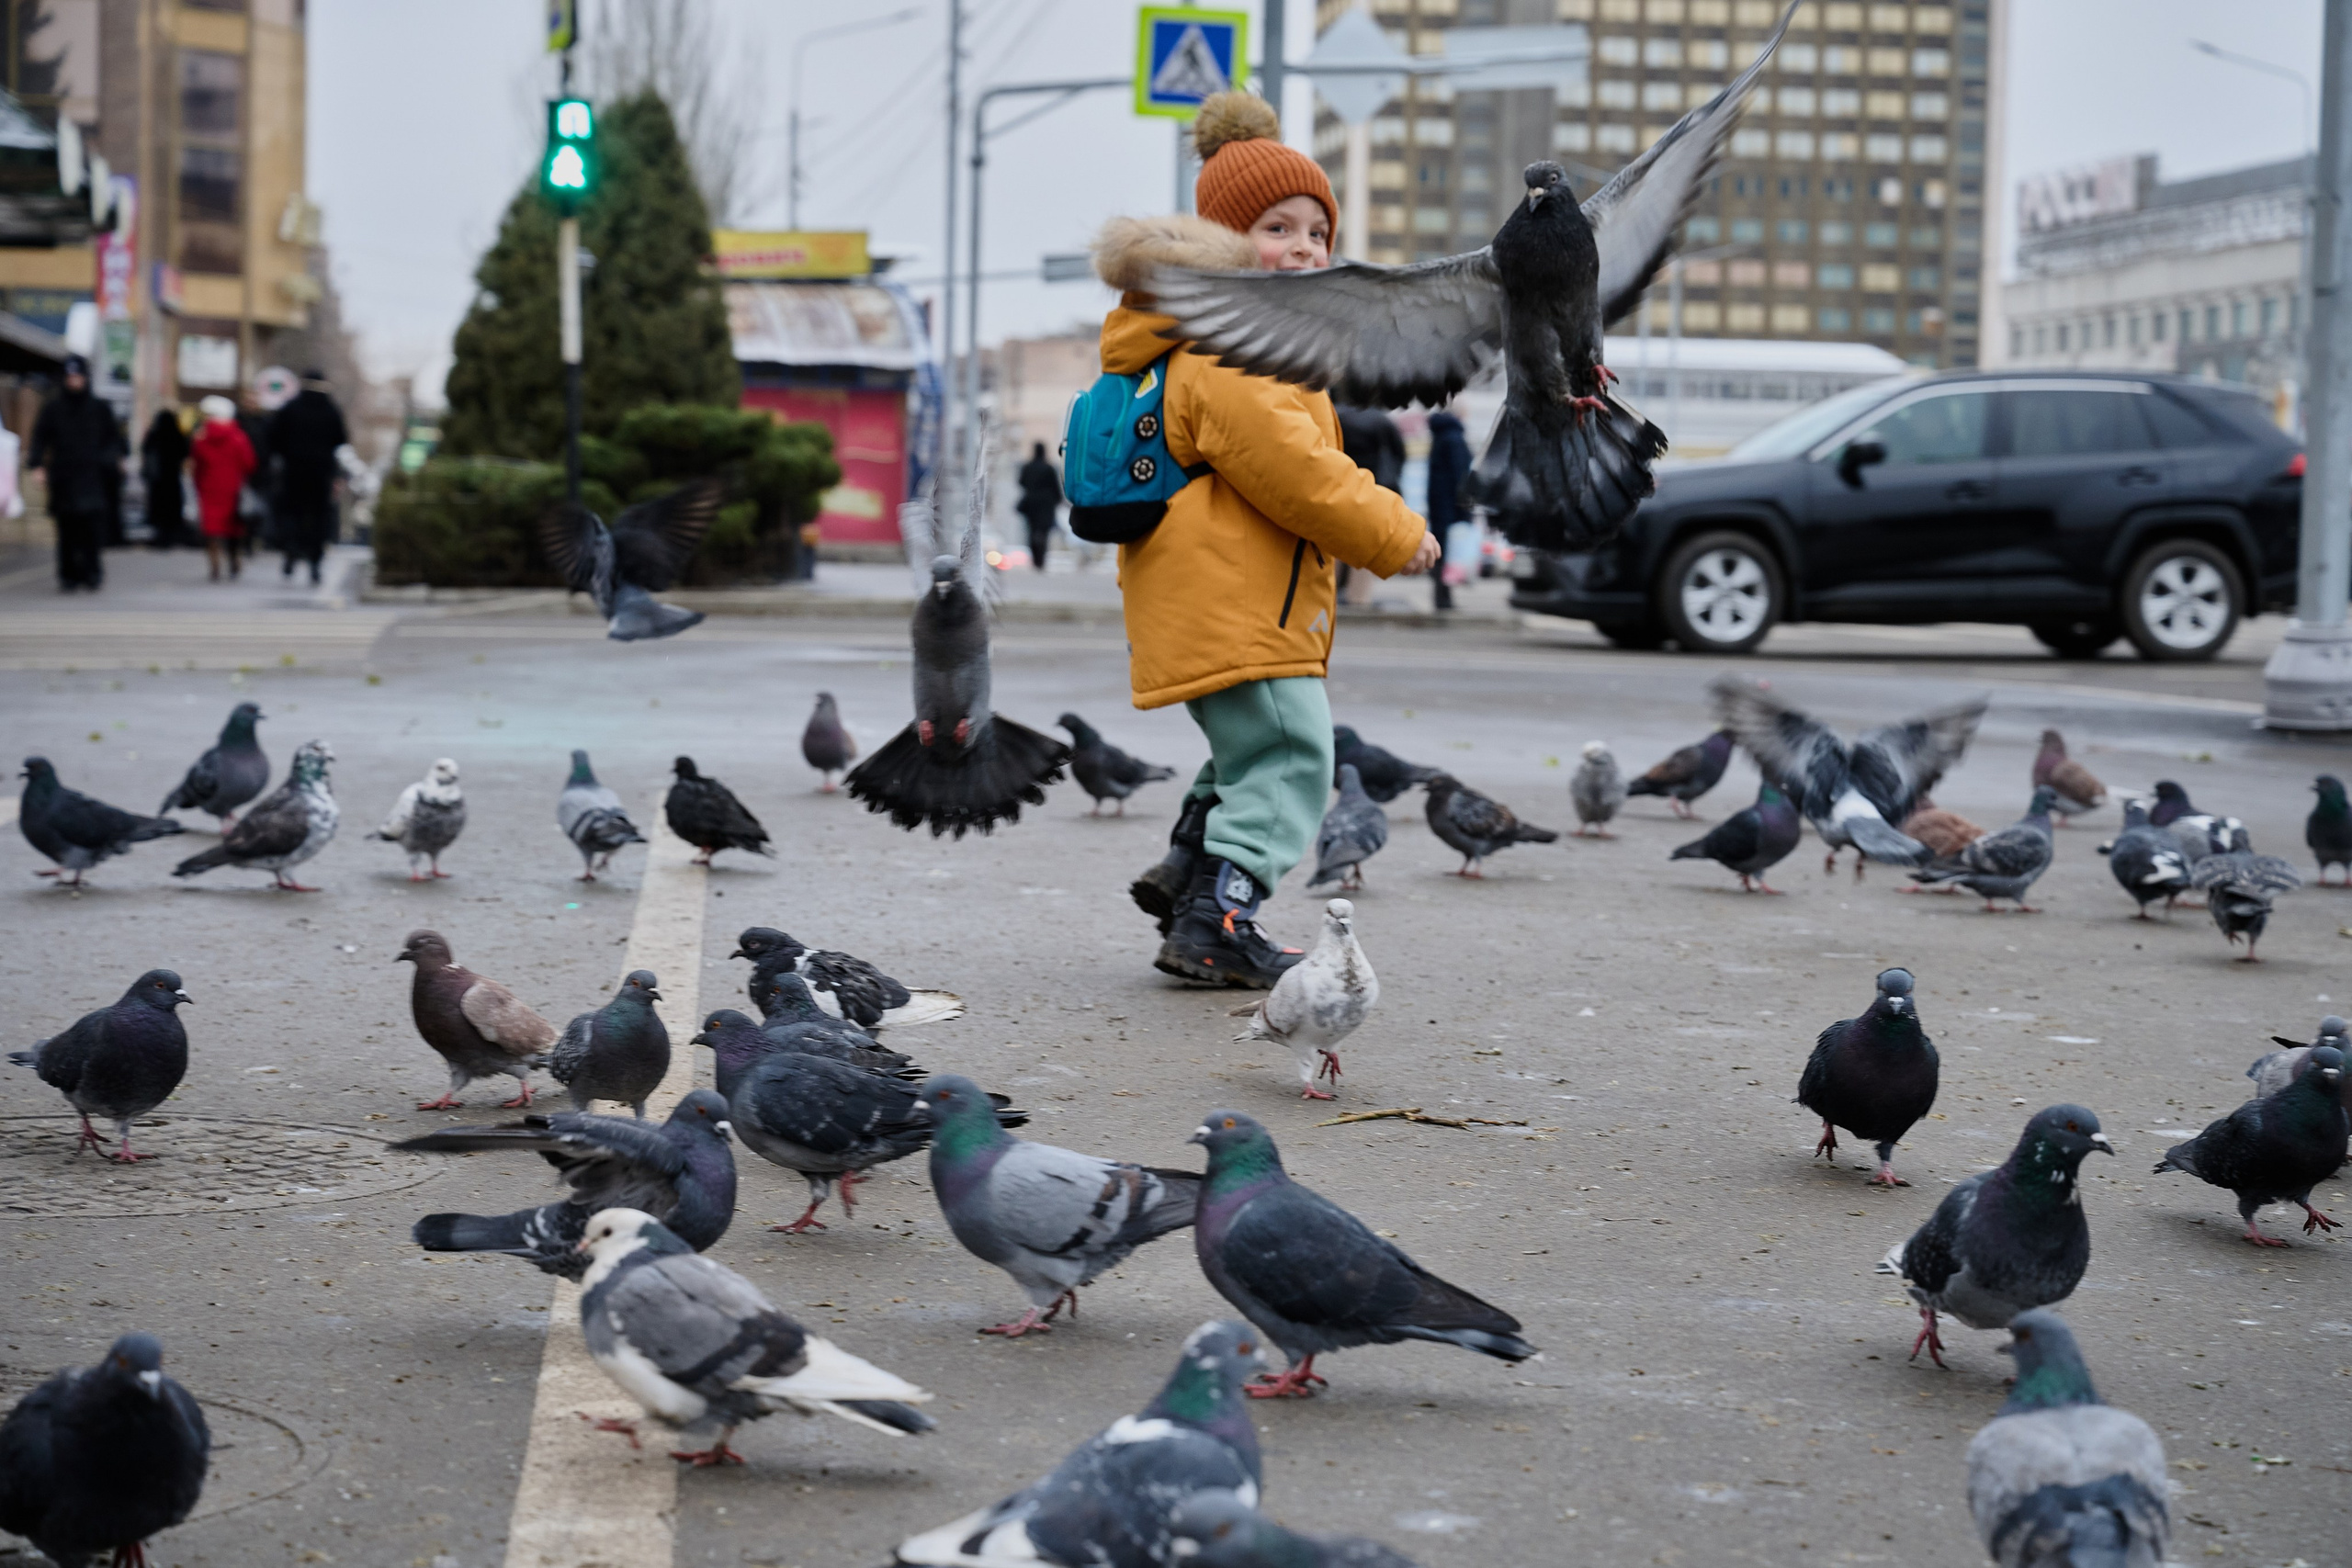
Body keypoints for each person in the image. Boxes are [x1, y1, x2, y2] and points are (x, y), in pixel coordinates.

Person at [1094, 91, 1438, 987]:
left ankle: (1187, 878)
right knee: (1290, 759)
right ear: (1223, 241)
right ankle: (1221, 917)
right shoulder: (1229, 349)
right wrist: (1395, 534)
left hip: (1222, 603)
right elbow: (1298, 476)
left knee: (1248, 755)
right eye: (1278, 228)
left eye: (1318, 233)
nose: (1306, 250)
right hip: (1238, 609)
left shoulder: (1220, 339)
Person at [26, 354, 125, 592]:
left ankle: (92, 573)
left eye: (78, 376)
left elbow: (115, 440)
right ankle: (68, 575)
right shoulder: (53, 408)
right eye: (70, 377)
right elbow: (40, 438)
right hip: (64, 477)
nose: (74, 382)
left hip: (92, 477)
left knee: (91, 529)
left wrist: (111, 460)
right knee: (66, 529)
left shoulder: (99, 408)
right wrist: (37, 466)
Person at [265, 367, 349, 585]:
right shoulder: (331, 410)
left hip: (294, 472)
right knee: (318, 518)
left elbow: (274, 439)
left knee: (293, 514)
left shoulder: (291, 408)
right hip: (321, 474)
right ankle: (315, 564)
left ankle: (291, 554)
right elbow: (341, 441)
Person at [190, 395, 256, 581]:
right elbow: (249, 463)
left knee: (212, 529)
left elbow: (197, 465)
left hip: (209, 487)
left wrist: (198, 484)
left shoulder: (201, 438)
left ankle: (214, 564)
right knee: (233, 528)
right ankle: (234, 560)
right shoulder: (238, 437)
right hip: (233, 488)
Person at [1424, 405, 1473, 613]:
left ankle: (1441, 595)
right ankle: (1444, 598)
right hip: (1452, 506)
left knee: (1442, 551)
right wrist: (1466, 505)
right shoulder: (1454, 438)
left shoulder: (1440, 436)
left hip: (1439, 504)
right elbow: (1461, 475)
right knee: (1448, 552)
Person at [140, 407, 192, 550]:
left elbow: (145, 450)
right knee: (172, 510)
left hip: (157, 481)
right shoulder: (177, 435)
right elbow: (184, 453)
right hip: (172, 480)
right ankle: (171, 537)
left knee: (159, 510)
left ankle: (160, 537)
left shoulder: (154, 434)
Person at [1015, 441, 1062, 571]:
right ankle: (1041, 560)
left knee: (1031, 531)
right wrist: (1057, 501)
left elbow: (1021, 482)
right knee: (1044, 532)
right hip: (1046, 505)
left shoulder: (1027, 467)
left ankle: (1035, 560)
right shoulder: (1049, 468)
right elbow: (1055, 487)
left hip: (1031, 504)